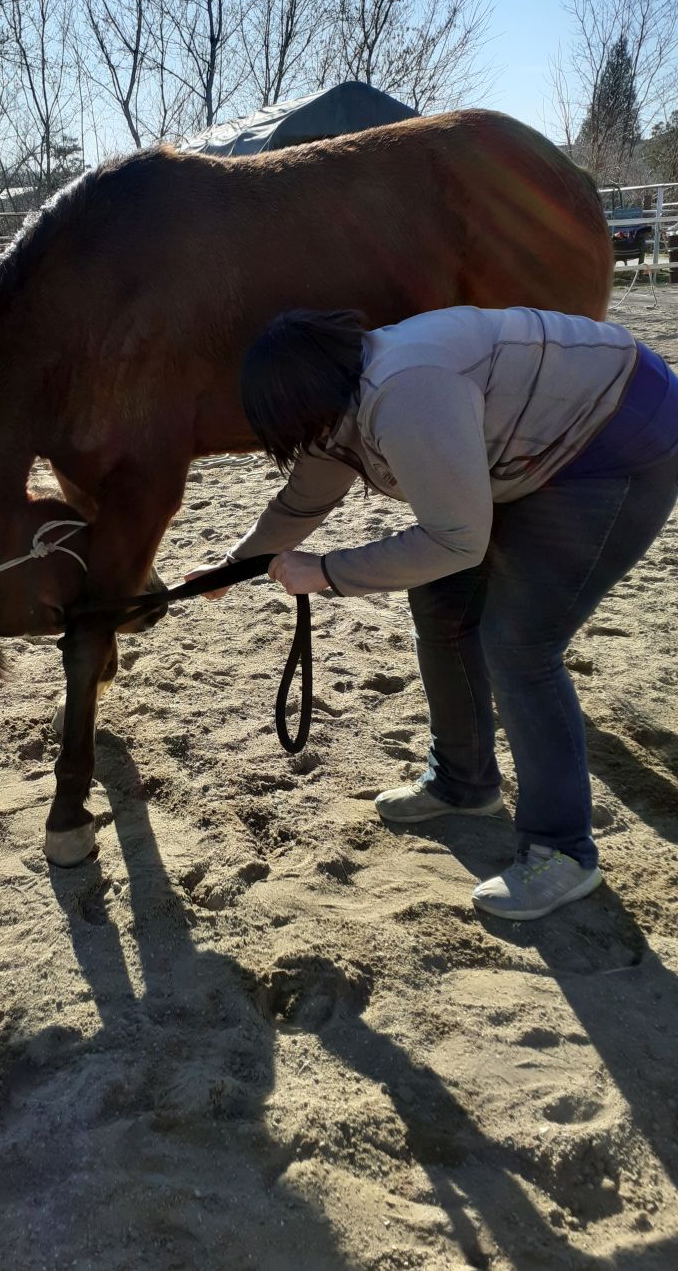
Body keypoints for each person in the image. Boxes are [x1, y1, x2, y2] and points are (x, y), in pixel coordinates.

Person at [187, 306, 678, 922]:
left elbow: (455, 541)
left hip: (617, 442)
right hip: (527, 453)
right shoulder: (337, 404)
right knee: (441, 605)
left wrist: (328, 571)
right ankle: (463, 782)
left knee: (519, 646)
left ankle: (562, 851)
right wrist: (230, 569)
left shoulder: (405, 391)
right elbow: (302, 502)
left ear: (309, 401)